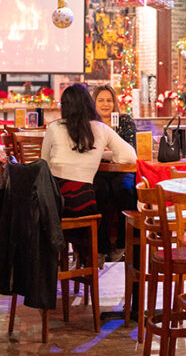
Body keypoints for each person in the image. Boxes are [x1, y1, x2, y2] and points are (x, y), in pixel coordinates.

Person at [41, 84, 137, 262]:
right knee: (105, 191)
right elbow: (130, 156)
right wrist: (104, 153)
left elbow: (43, 165)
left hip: (55, 206)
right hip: (84, 204)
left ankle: (84, 255)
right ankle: (97, 254)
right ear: (90, 104)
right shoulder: (101, 128)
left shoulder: (54, 128)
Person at [92, 85, 136, 262]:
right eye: (100, 100)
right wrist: (111, 152)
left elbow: (130, 149)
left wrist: (106, 152)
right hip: (98, 170)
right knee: (97, 191)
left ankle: (122, 244)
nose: (105, 104)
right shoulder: (90, 123)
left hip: (122, 170)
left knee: (124, 189)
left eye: (109, 100)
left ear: (115, 102)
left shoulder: (125, 120)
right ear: (93, 103)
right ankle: (100, 246)